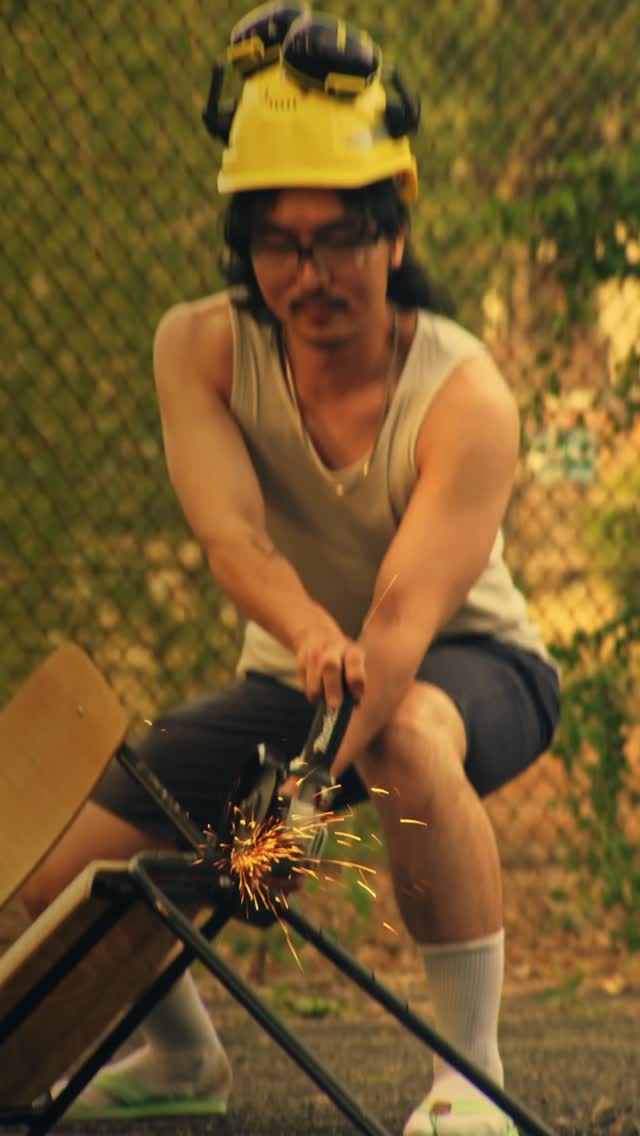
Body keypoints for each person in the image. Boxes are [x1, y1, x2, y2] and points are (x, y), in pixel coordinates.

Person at [20, 6, 560, 1134]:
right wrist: (311, 636)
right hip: (296, 666)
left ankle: (473, 1081)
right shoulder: (199, 346)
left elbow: (402, 617)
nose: (310, 273)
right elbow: (234, 541)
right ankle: (181, 1061)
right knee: (57, 871)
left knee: (408, 736)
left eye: (339, 238)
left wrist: (306, 796)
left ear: (394, 235)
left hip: (467, 656)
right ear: (245, 246)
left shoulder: (465, 394)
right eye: (279, 242)